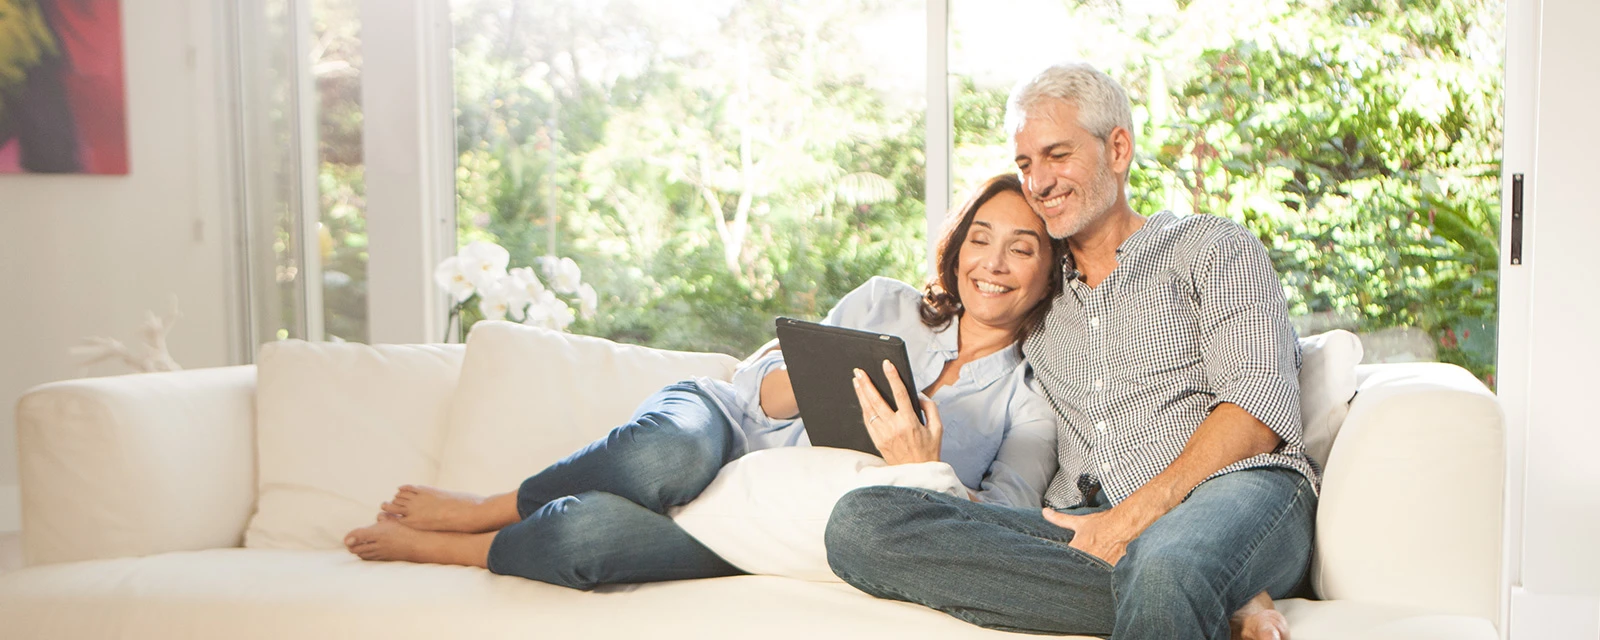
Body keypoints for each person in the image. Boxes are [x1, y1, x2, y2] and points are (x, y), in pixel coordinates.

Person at [341, 174, 1067, 589]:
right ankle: (488, 508)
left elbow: (1001, 523)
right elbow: (755, 392)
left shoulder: (1029, 401)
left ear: (1048, 271)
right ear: (957, 245)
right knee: (666, 459)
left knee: (588, 543)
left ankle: (461, 550)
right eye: (980, 239)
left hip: (768, 528)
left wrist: (922, 469)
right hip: (727, 429)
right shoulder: (886, 302)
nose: (992, 264)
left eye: (1021, 249)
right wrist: (821, 392)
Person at [823, 62, 1316, 640]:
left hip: (1236, 492)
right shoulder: (1037, 294)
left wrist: (1131, 522)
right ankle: (1216, 603)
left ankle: (1185, 584)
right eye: (1026, 164)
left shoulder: (1209, 247)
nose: (1040, 181)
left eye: (1058, 155)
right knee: (862, 523)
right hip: (1083, 517)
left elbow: (1257, 409)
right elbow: (963, 287)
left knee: (1165, 563)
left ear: (1118, 149)